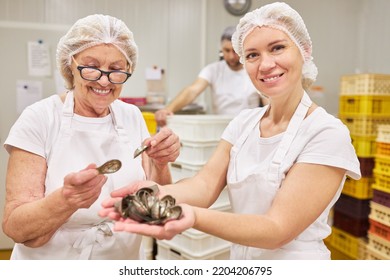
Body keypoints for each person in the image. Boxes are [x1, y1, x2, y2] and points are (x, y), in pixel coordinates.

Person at [100, 2, 361, 260]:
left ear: (304, 51)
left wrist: (191, 216)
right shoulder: (243, 123)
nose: (266, 64)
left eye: (278, 48)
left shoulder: (326, 133)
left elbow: (277, 230)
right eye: (252, 55)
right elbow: (203, 186)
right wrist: (153, 193)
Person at [2, 14, 180, 260]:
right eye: (91, 67)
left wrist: (161, 162)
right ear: (70, 65)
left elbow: (158, 202)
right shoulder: (40, 118)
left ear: (129, 70)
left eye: (116, 70)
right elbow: (15, 227)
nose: (104, 81)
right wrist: (67, 200)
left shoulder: (132, 116)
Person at [154, 26, 264, 127]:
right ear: (221, 48)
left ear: (242, 49)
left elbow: (268, 102)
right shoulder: (213, 70)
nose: (231, 56)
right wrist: (167, 109)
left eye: (235, 51)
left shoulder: (255, 69)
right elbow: (192, 91)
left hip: (251, 128)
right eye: (226, 50)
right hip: (222, 128)